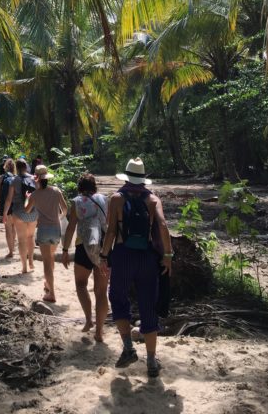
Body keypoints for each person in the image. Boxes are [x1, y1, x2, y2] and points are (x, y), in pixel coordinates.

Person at [99, 157, 173, 378]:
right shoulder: (152, 199)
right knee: (148, 306)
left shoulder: (116, 199)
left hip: (122, 256)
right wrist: (168, 255)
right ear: (143, 179)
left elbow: (111, 231)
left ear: (126, 176)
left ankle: (129, 348)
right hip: (147, 258)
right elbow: (162, 225)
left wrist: (104, 256)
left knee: (118, 298)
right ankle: (151, 362)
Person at [61, 173, 109, 340]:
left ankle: (89, 320)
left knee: (81, 284)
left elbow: (71, 227)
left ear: (79, 187)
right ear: (94, 186)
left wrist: (65, 249)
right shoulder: (104, 199)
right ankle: (99, 332)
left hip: (83, 247)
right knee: (101, 292)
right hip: (104, 247)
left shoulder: (77, 202)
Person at [24, 164, 68, 303]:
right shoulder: (56, 191)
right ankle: (48, 284)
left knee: (47, 262)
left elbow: (26, 210)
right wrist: (58, 218)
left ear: (36, 178)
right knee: (51, 257)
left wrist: (27, 197)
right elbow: (65, 209)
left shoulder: (35, 195)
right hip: (56, 229)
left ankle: (51, 293)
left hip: (43, 229)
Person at [3, 158, 38, 273]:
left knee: (22, 240)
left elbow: (8, 199)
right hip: (33, 213)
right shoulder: (34, 178)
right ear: (26, 166)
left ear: (17, 168)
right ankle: (31, 261)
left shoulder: (15, 180)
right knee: (31, 237)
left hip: (18, 213)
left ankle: (24, 267)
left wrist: (4, 213)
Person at [0, 157, 16, 258]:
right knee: (13, 227)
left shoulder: (1, 178)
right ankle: (13, 249)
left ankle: (11, 251)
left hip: (5, 205)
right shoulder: (17, 178)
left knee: (8, 229)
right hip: (15, 206)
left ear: (5, 167)